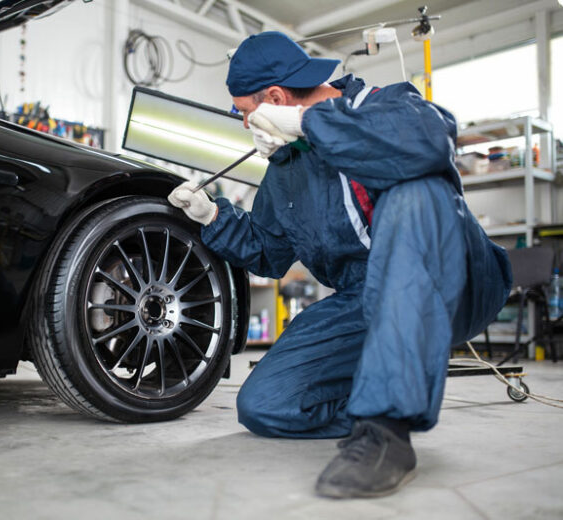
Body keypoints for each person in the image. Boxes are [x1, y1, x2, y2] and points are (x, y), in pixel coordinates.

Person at [167, 31, 512, 499]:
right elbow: (270, 252)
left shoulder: (384, 103)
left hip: (461, 278)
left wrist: (311, 123)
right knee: (265, 404)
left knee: (414, 189)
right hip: (365, 299)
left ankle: (386, 430)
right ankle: (389, 391)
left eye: (244, 111)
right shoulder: (285, 169)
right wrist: (212, 215)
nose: (244, 122)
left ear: (274, 98)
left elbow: (428, 146)